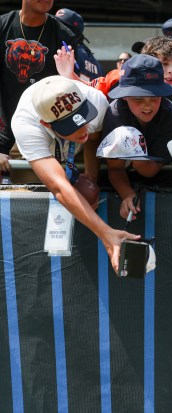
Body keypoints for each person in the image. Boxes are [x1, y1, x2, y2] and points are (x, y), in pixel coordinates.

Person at [11, 75, 139, 272]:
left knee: (86, 194)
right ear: (47, 124)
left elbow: (92, 137)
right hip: (43, 146)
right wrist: (105, 233)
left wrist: (91, 177)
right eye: (73, 125)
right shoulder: (27, 126)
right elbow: (59, 187)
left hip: (72, 147)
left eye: (84, 118)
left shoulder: (96, 100)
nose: (83, 128)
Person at [99, 55, 172, 219]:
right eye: (138, 98)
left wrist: (133, 150)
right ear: (124, 96)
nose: (147, 105)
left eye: (154, 98)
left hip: (162, 187)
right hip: (119, 183)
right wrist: (127, 195)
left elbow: (150, 172)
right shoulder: (115, 113)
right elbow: (115, 168)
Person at [0, 0, 77, 175]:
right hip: (3, 135)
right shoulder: (3, 26)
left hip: (41, 138)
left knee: (33, 198)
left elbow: (70, 91)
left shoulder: (64, 35)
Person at [54, 8, 103, 82]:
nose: (56, 28)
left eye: (60, 26)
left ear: (72, 32)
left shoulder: (66, 54)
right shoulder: (97, 64)